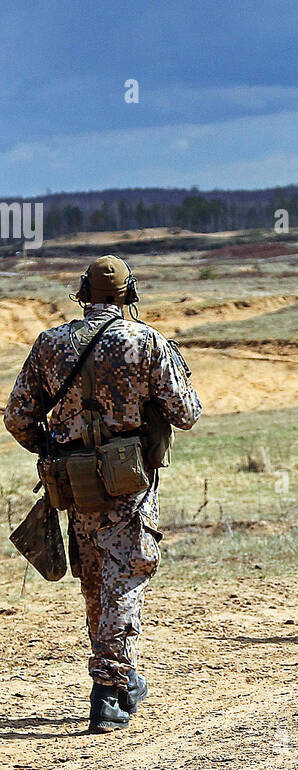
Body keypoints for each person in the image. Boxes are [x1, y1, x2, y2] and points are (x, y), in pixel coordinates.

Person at [4, 255, 201, 731]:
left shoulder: (52, 344)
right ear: (127, 294)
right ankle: (110, 690)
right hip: (128, 482)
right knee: (125, 575)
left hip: (74, 483)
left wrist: (52, 450)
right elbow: (187, 412)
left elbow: (16, 416)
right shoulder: (147, 342)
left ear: (83, 292)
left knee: (95, 578)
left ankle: (122, 675)